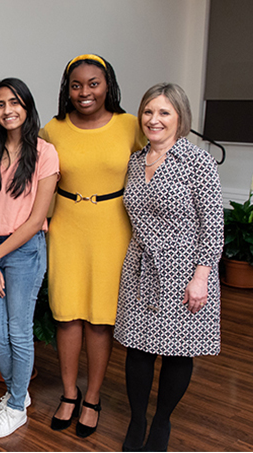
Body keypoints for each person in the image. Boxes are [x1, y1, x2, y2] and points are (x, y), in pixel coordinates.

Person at [40, 54, 146, 437]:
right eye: (76, 85)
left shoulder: (131, 126)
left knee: (100, 318)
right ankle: (69, 394)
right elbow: (35, 176)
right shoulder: (53, 129)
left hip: (113, 228)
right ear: (67, 90)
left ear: (108, 86)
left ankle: (94, 397)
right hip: (66, 226)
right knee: (67, 314)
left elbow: (161, 159)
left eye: (93, 83)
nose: (84, 92)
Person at [114, 83, 222, 452]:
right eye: (148, 111)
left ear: (180, 118)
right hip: (140, 267)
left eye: (164, 113)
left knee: (178, 350)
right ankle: (137, 419)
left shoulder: (197, 161)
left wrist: (201, 278)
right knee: (137, 349)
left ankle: (162, 422)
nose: (154, 119)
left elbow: (213, 226)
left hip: (185, 270)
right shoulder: (134, 161)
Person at [0, 78, 59, 438]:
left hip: (24, 251)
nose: (8, 110)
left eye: (15, 102)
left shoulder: (45, 153)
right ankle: (17, 394)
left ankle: (14, 407)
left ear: (27, 107)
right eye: (0, 104)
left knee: (19, 334)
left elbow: (37, 218)